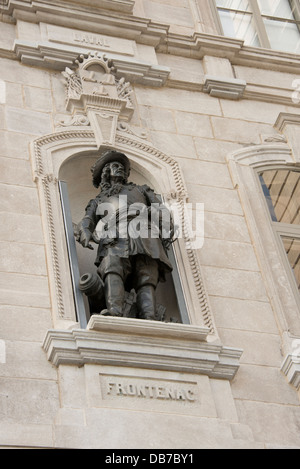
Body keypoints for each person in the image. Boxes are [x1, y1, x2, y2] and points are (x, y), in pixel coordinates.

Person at [76, 150, 174, 320]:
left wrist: (151, 213)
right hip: (115, 236)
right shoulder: (98, 200)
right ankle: (115, 310)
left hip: (144, 233)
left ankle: (149, 316)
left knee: (146, 273)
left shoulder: (141, 190)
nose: (120, 168)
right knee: (112, 266)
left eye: (122, 166)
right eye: (115, 166)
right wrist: (85, 231)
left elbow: (163, 212)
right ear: (106, 173)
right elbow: (87, 220)